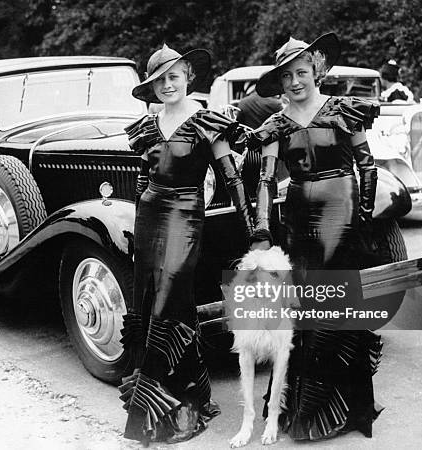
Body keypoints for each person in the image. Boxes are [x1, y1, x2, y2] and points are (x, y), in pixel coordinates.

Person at [118, 44, 255, 446]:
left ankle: (145, 419)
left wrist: (254, 234)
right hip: (149, 217)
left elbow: (232, 179)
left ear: (188, 78)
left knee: (169, 297)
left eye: (174, 76)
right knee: (153, 303)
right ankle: (191, 399)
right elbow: (144, 180)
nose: (167, 85)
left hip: (186, 215)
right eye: (159, 80)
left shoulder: (205, 121)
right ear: (152, 86)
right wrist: (136, 229)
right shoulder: (148, 126)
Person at [250, 33, 384, 441]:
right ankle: (300, 410)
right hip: (299, 213)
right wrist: (262, 228)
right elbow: (266, 179)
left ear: (316, 73)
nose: (295, 81)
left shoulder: (343, 111)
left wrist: (361, 219)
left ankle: (345, 409)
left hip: (341, 207)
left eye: (302, 72)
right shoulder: (276, 125)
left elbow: (368, 167)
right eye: (287, 75)